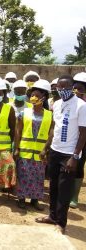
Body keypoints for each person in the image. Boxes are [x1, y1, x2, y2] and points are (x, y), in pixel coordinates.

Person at [36, 75, 86, 234]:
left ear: (72, 87)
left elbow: (83, 133)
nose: (62, 90)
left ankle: (61, 223)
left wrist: (75, 156)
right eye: (59, 87)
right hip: (55, 151)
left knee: (64, 189)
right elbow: (54, 128)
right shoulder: (56, 104)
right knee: (53, 187)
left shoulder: (81, 105)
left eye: (65, 87)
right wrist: (46, 148)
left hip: (68, 154)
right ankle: (52, 216)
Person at [14, 80, 53, 210]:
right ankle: (21, 198)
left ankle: (34, 200)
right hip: (25, 150)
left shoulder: (49, 115)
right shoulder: (24, 113)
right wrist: (17, 148)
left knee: (38, 176)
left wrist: (46, 149)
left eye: (37, 95)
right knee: (23, 174)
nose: (33, 98)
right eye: (32, 95)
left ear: (44, 97)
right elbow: (18, 131)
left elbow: (51, 133)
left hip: (40, 152)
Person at [69, 72, 86, 208]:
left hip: (83, 139)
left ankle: (74, 196)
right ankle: (67, 193)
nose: (76, 91)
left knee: (79, 165)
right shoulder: (70, 101)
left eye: (80, 88)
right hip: (71, 137)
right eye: (75, 87)